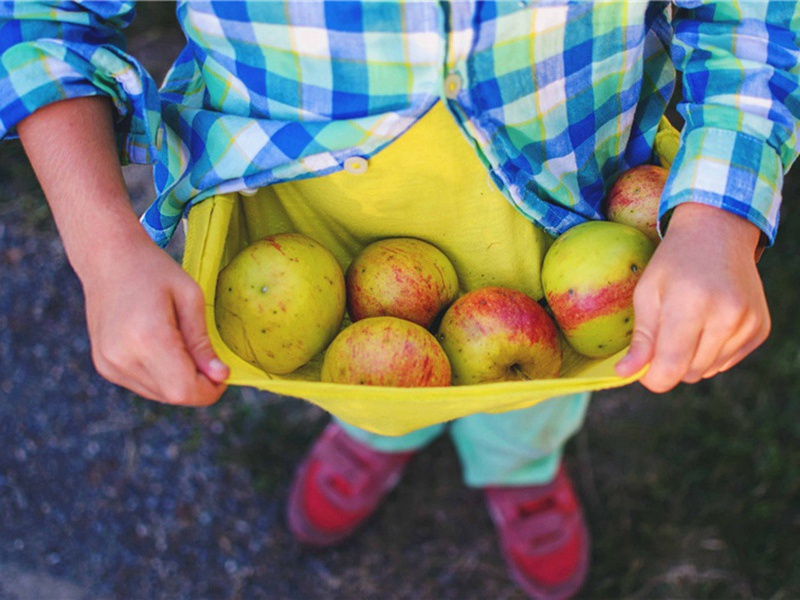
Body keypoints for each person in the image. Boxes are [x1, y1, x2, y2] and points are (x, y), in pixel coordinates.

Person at [1, 2, 797, 598]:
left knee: (541, 394)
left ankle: (518, 467)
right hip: (320, 215)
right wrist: (104, 249)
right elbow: (43, 17)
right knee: (365, 382)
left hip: (563, 211)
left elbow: (747, 14)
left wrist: (719, 218)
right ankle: (376, 433)